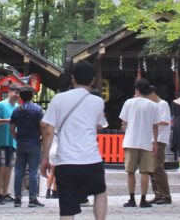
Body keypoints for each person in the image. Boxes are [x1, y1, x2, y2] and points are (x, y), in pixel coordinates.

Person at [40, 61, 108, 220]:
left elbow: (48, 130)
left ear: (73, 78)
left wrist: (45, 159)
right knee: (100, 191)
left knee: (67, 206)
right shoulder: (98, 101)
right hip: (92, 159)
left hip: (67, 161)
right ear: (92, 80)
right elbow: (98, 126)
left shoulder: (58, 99)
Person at [118, 78, 160, 208]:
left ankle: (131, 199)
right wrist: (155, 143)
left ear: (136, 90)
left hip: (131, 141)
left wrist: (127, 128)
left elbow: (124, 123)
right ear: (148, 90)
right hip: (146, 141)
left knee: (130, 172)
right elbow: (155, 126)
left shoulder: (128, 103)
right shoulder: (154, 105)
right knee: (145, 172)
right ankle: (143, 200)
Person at [10, 85, 45, 208]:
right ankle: (32, 199)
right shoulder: (38, 109)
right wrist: (42, 137)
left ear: (21, 96)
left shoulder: (16, 110)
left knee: (19, 171)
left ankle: (17, 199)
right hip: (34, 143)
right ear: (32, 96)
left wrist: (17, 138)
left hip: (21, 143)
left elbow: (12, 128)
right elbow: (42, 126)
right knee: (33, 171)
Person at [0, 84, 20, 204]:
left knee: (9, 168)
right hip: (0, 141)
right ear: (9, 92)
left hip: (12, 141)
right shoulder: (1, 105)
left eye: (19, 93)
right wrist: (8, 120)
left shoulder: (18, 107)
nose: (17, 95)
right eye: (15, 92)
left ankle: (5, 192)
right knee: (0, 166)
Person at [146, 87, 172, 205]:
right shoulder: (152, 106)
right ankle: (158, 194)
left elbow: (165, 121)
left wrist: (150, 122)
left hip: (160, 139)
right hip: (151, 139)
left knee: (157, 167)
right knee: (152, 169)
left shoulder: (163, 104)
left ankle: (166, 195)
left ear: (153, 93)